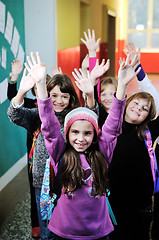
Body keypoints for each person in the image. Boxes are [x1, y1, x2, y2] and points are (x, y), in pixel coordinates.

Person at [23, 51, 140, 239]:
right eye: (75, 132)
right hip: (64, 230)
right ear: (67, 133)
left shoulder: (102, 151)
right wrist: (40, 86)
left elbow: (113, 126)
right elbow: (49, 126)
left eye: (87, 133)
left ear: (95, 135)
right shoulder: (59, 152)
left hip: (97, 231)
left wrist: (123, 85)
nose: (81, 138)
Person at [7, 57, 80, 240]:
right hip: (42, 181)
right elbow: (14, 114)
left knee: (68, 225)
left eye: (64, 96)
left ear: (71, 98)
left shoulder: (74, 117)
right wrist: (22, 90)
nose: (59, 101)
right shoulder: (38, 115)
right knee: (47, 227)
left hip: (69, 180)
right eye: (54, 96)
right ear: (46, 95)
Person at [7, 59, 40, 238]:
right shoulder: (31, 106)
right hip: (33, 158)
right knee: (35, 190)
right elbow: (12, 97)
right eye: (36, 88)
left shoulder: (57, 107)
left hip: (55, 159)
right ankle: (36, 224)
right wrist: (15, 76)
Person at [81, 29, 118, 129]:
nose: (108, 98)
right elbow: (94, 80)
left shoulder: (121, 111)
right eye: (103, 94)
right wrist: (92, 52)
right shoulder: (98, 109)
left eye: (112, 93)